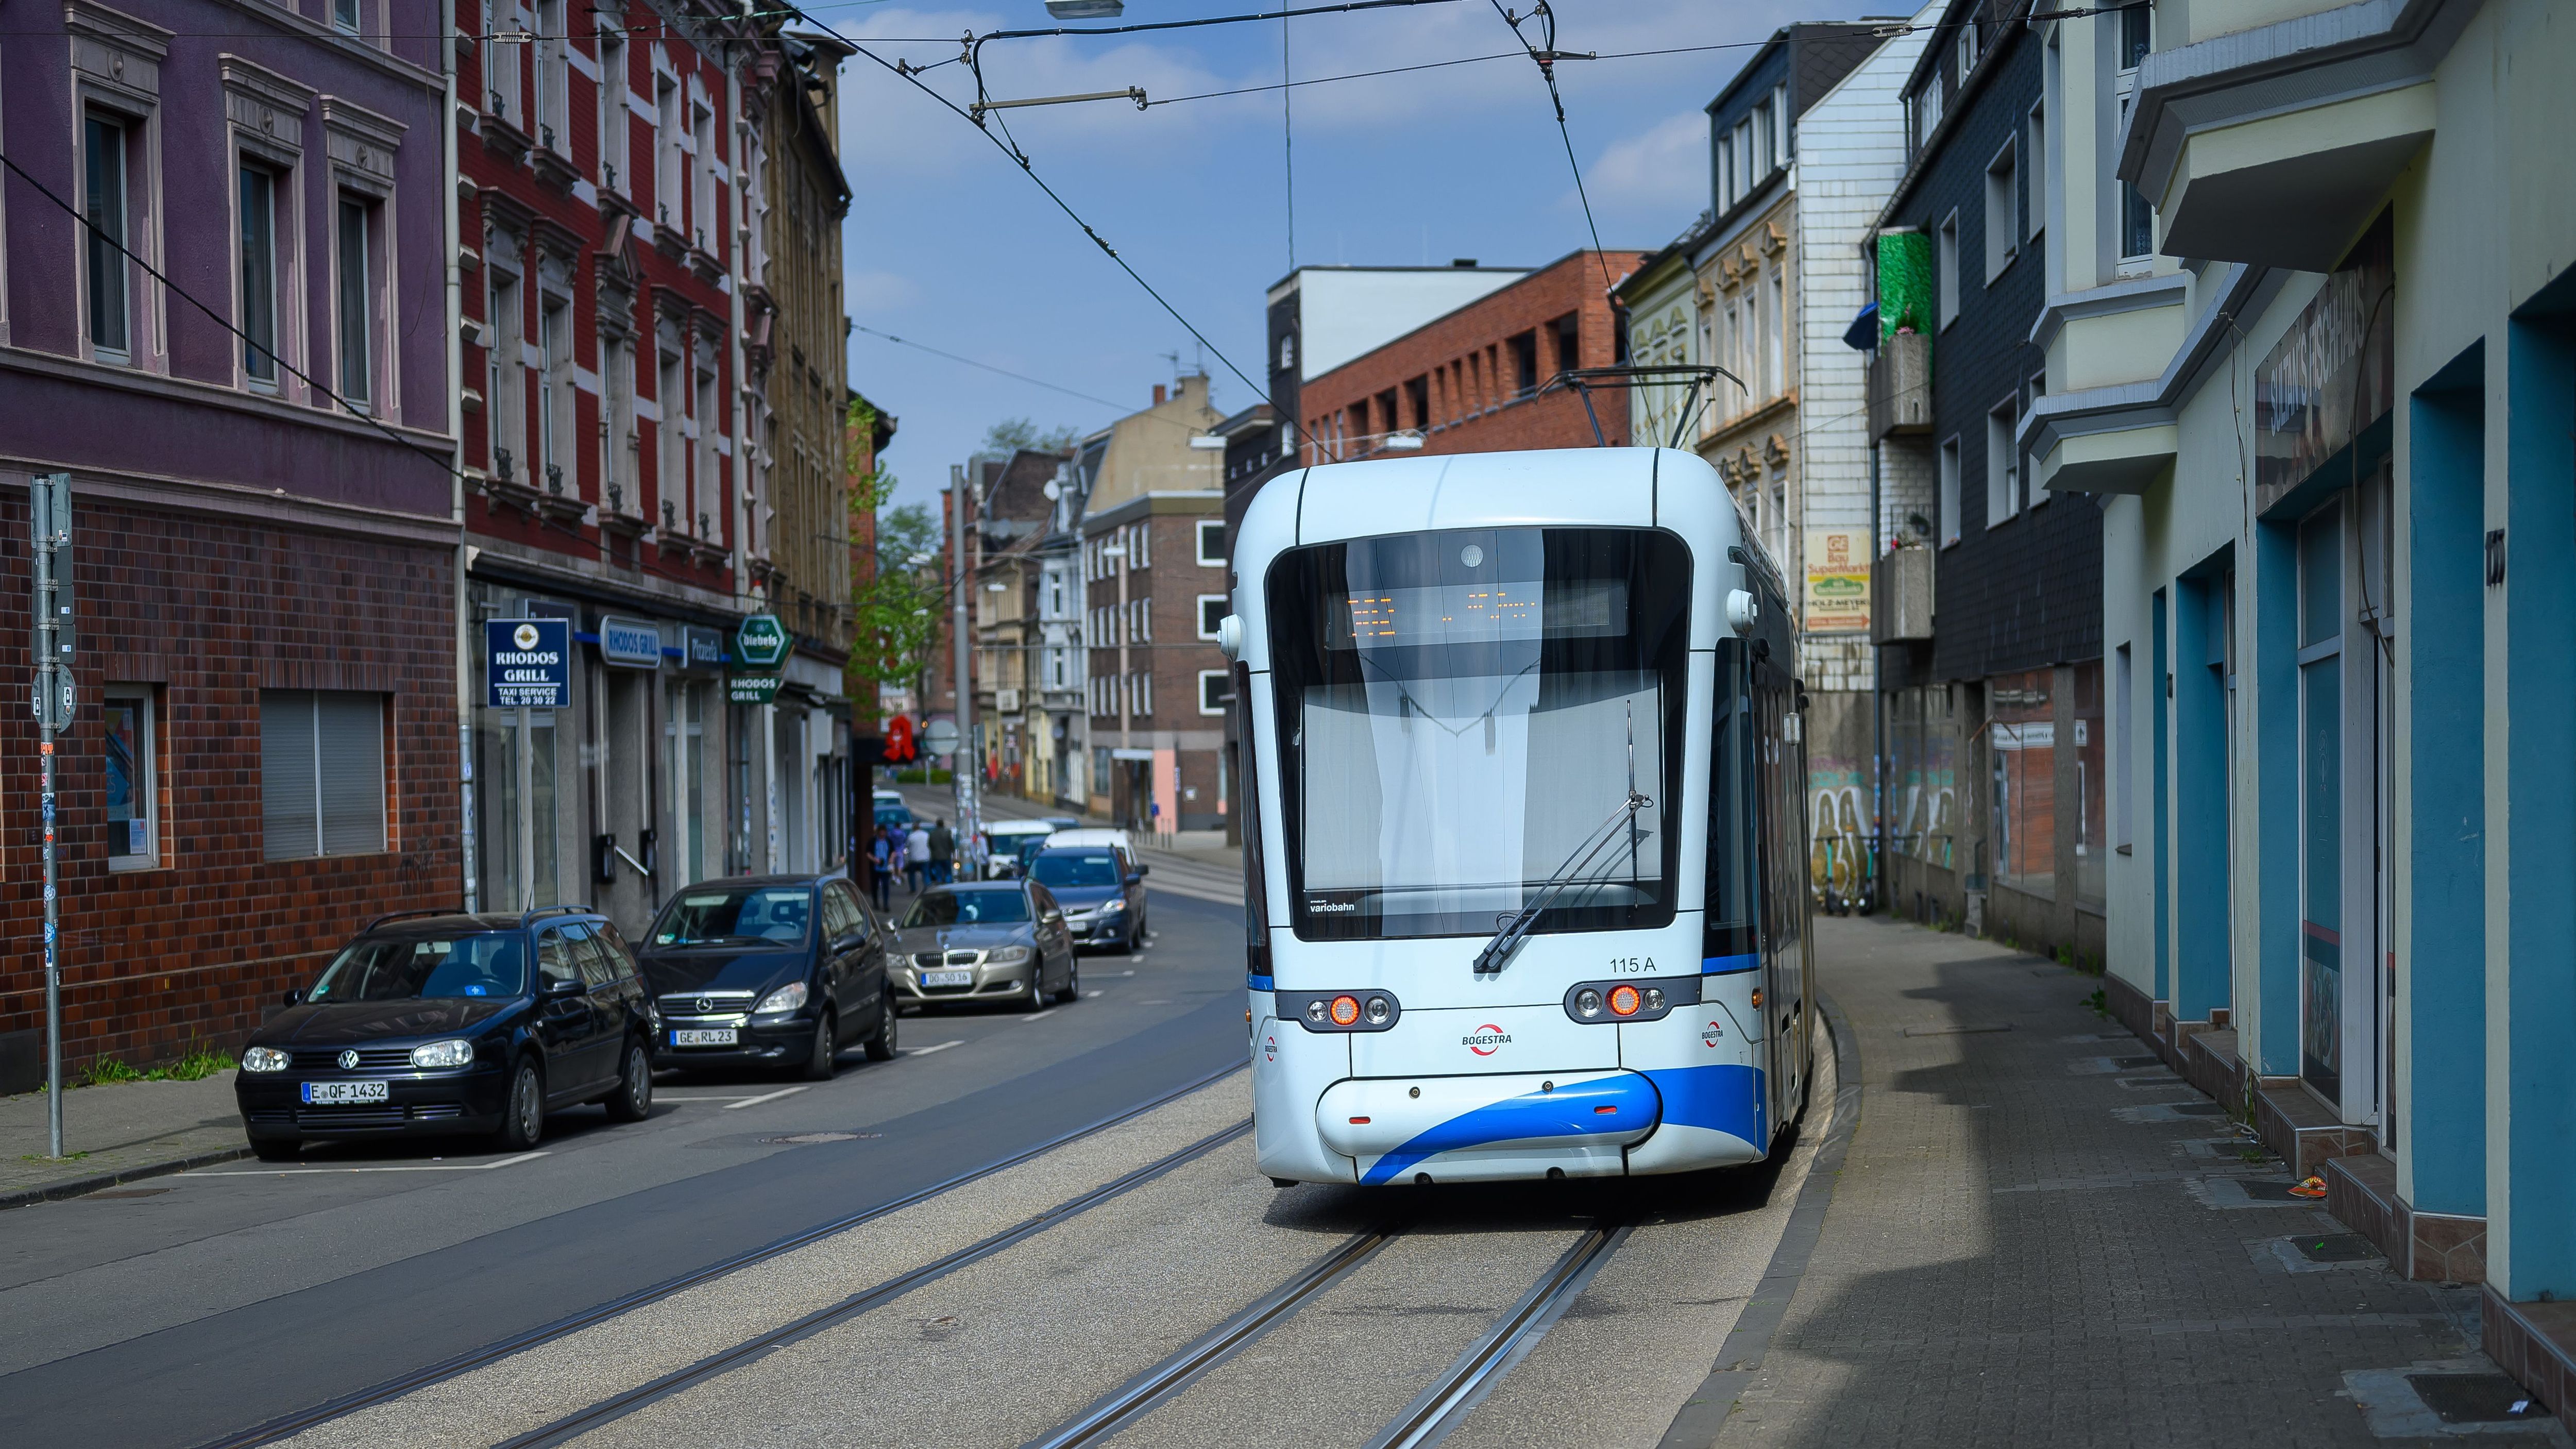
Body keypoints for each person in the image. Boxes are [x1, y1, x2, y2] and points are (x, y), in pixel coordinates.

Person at [869, 826, 894, 912]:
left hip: (886, 868)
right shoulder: (873, 841)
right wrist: (874, 859)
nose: (882, 834)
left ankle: (886, 904)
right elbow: (868, 853)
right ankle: (876, 903)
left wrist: (891, 859)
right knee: (875, 886)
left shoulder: (888, 841)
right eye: (881, 832)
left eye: (884, 832)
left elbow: (893, 852)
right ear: (878, 832)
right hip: (875, 868)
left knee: (886, 886)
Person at [927, 817, 956, 885]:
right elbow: (952, 845)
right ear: (943, 824)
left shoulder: (933, 834)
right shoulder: (947, 833)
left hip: (936, 857)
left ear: (937, 824)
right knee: (948, 873)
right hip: (946, 856)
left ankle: (940, 887)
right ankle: (949, 886)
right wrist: (953, 853)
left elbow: (930, 844)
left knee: (938, 874)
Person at [905, 820, 931, 894]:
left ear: (913, 828)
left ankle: (913, 889)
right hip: (925, 858)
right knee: (926, 874)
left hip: (914, 858)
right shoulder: (926, 835)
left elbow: (907, 847)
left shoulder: (911, 836)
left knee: (912, 874)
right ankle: (928, 889)